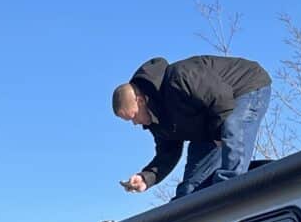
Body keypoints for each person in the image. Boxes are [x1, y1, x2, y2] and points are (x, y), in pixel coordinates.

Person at [113, 55, 271, 199]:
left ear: (140, 101)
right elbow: (168, 153)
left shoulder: (180, 76)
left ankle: (233, 188)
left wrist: (219, 138)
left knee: (232, 128)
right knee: (190, 191)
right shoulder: (157, 123)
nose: (135, 123)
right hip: (210, 125)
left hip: (245, 88)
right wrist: (146, 178)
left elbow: (221, 99)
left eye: (133, 116)